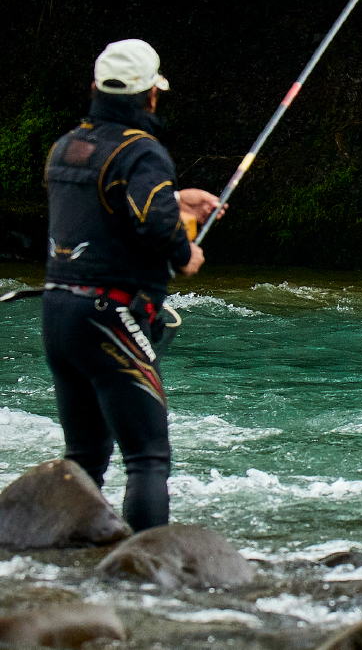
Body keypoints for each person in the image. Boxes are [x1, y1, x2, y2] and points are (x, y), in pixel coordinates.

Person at [42, 39, 223, 532]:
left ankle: (60, 565)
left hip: (58, 314)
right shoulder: (143, 152)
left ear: (96, 89)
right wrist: (186, 254)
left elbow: (106, 211)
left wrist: (174, 197)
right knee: (146, 457)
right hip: (109, 318)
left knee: (84, 455)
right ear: (150, 98)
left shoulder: (67, 148)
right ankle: (147, 576)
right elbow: (154, 228)